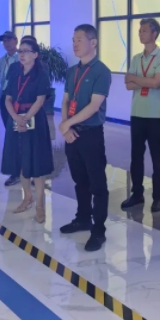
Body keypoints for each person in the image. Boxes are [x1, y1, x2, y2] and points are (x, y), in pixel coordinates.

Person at [58, 24, 112, 252]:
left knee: (97, 184)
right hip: (72, 133)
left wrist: (66, 124)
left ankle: (98, 230)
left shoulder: (101, 71)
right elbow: (65, 101)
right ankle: (83, 218)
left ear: (93, 42)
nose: (75, 44)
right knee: (80, 180)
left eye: (79, 39)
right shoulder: (73, 71)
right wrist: (66, 127)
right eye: (73, 40)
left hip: (91, 134)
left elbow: (94, 106)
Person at [122, 18, 160, 212]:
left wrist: (136, 78)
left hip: (156, 115)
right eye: (140, 31)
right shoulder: (136, 58)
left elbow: (157, 82)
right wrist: (147, 80)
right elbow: (128, 85)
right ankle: (137, 194)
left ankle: (159, 196)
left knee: (157, 157)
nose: (140, 34)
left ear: (154, 34)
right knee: (136, 156)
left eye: (144, 30)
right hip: (137, 114)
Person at [6, 39, 54, 223]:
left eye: (26, 51)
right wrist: (16, 118)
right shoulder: (14, 71)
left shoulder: (41, 74)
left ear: (35, 55)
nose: (22, 54)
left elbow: (40, 101)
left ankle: (40, 205)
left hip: (34, 120)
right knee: (21, 160)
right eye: (20, 51)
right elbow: (7, 98)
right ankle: (27, 197)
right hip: (16, 119)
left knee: (36, 162)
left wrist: (25, 118)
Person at [0, 31, 21, 186]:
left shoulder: (22, 59)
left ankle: (30, 171)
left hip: (19, 100)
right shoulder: (1, 61)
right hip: (5, 99)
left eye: (9, 40)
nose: (6, 43)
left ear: (16, 40)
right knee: (11, 136)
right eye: (4, 41)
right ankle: (15, 172)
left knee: (23, 135)